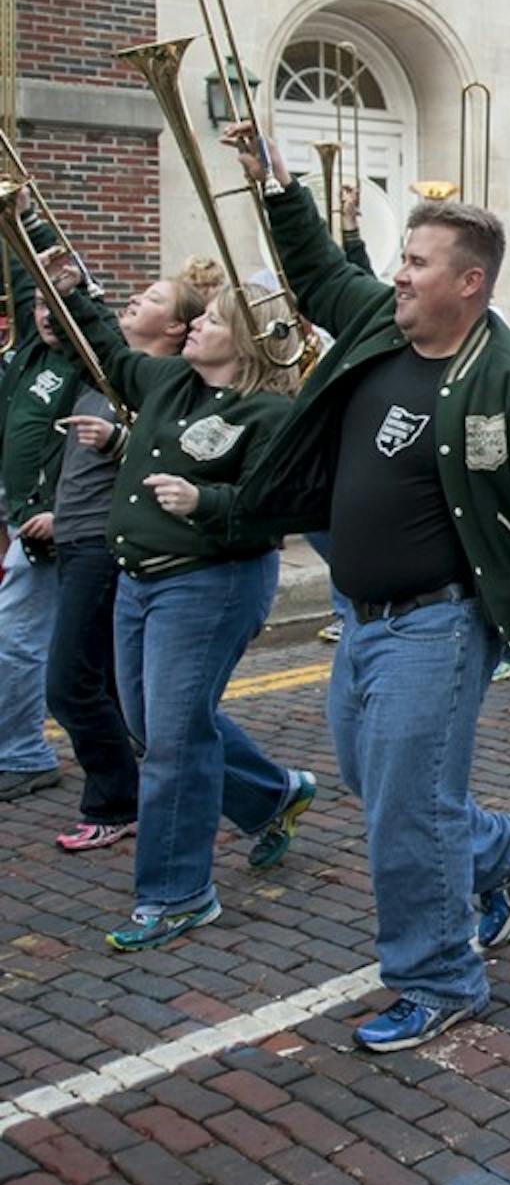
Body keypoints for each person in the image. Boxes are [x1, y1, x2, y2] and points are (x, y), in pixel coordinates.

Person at [214, 121, 510, 1051]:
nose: (398, 274)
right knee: (378, 782)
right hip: (359, 619)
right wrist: (276, 184)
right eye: (402, 258)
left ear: (470, 282)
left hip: (438, 626)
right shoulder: (380, 325)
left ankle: (439, 976)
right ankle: (498, 846)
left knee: (403, 811)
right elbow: (315, 273)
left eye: (418, 262)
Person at [52, 256, 312, 950]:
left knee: (171, 742)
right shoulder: (170, 381)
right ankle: (272, 795)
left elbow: (273, 510)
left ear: (247, 342)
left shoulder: (270, 413)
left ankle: (177, 894)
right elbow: (106, 351)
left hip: (209, 585)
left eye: (213, 320)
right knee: (155, 725)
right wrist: (71, 288)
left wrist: (206, 502)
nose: (196, 325)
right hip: (140, 580)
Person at [48, 274, 205, 849]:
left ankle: (116, 801)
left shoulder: (166, 385)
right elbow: (65, 329)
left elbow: (171, 459)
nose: (136, 298)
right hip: (71, 537)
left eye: (155, 298)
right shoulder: (107, 369)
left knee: (69, 686)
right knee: (116, 690)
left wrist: (117, 441)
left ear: (175, 327)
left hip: (102, 544)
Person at [0, 236, 78, 800]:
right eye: (39, 306)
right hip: (19, 512)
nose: (47, 314)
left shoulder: (92, 362)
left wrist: (59, 512)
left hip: (51, 524)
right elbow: (27, 272)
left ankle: (23, 753)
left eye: (59, 304)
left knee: (16, 637)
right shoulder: (32, 350)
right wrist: (17, 222)